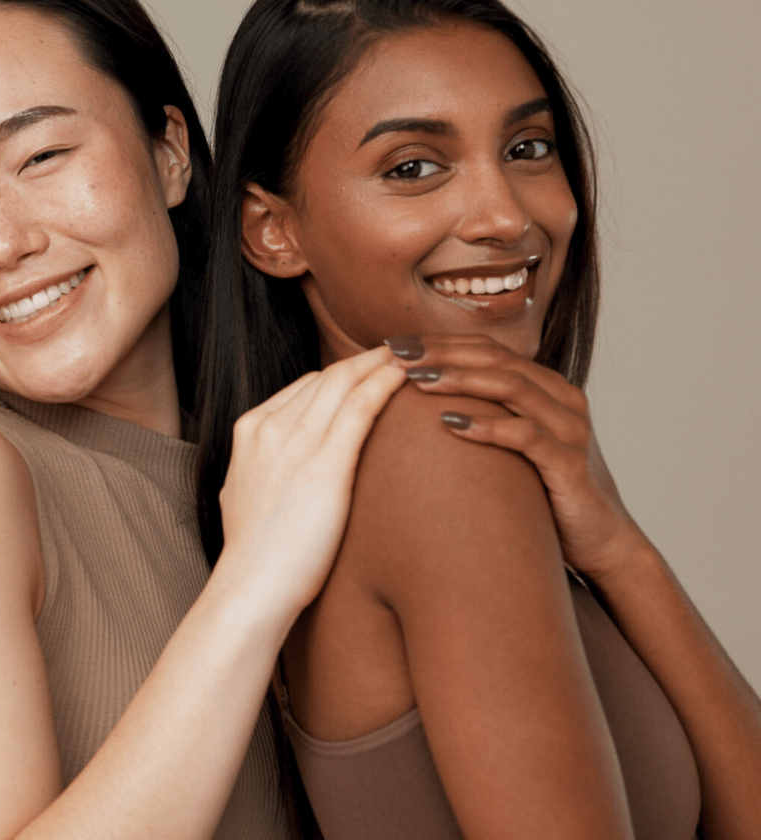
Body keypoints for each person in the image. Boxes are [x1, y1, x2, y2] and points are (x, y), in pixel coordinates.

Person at [0, 1, 409, 838]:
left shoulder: (269, 465)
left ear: (169, 154)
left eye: (41, 155)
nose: (1, 242)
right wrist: (251, 591)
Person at [199, 0, 761, 837]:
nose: (506, 218)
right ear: (274, 231)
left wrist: (618, 548)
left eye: (527, 149)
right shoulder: (440, 448)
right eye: (413, 168)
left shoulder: (367, 464)